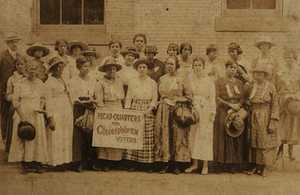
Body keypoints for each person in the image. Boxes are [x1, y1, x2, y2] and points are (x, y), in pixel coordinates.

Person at [8, 60, 48, 174]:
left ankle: (36, 162)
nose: (32, 71)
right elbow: (15, 101)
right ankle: (25, 164)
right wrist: (22, 116)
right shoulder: (20, 83)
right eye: (30, 68)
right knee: (24, 136)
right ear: (26, 70)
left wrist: (41, 107)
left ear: (38, 70)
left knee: (37, 138)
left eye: (35, 68)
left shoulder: (40, 83)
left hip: (36, 113)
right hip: (23, 112)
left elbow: (43, 98)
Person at [154, 56, 191, 174]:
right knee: (164, 135)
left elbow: (189, 96)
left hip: (177, 110)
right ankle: (164, 163)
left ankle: (176, 164)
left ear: (176, 66)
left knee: (177, 136)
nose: (169, 66)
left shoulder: (182, 79)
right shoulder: (161, 79)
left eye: (172, 64)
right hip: (164, 110)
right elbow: (158, 96)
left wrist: (177, 100)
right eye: (167, 64)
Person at [214, 60, 248, 173]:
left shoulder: (239, 83)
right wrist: (229, 105)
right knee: (223, 135)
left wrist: (239, 104)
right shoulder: (219, 81)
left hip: (237, 110)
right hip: (224, 110)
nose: (233, 70)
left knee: (236, 131)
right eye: (230, 68)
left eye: (234, 68)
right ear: (226, 68)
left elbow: (243, 97)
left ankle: (234, 163)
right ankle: (222, 163)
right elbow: (217, 97)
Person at [124, 59, 158, 172]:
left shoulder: (152, 83)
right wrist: (128, 110)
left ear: (147, 69)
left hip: (147, 109)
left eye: (144, 67)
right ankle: (132, 163)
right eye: (140, 67)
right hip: (135, 109)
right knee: (134, 136)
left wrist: (149, 109)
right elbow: (128, 97)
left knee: (147, 136)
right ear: (137, 69)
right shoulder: (132, 81)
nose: (142, 69)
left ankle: (147, 164)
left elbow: (154, 99)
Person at [185, 56, 216, 175]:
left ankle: (205, 165)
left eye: (199, 65)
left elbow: (212, 98)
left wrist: (212, 113)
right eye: (195, 65)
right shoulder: (191, 80)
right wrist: (192, 106)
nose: (197, 68)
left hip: (205, 111)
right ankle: (194, 164)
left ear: (203, 67)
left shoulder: (209, 81)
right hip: (194, 111)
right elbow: (189, 95)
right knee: (193, 137)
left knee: (205, 137)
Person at [93, 57, 125, 171]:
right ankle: (104, 161)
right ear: (105, 70)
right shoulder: (100, 83)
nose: (112, 71)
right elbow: (99, 100)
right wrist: (103, 112)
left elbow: (121, 96)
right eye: (109, 69)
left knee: (116, 133)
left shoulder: (119, 81)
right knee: (106, 134)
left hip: (117, 107)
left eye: (114, 69)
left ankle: (115, 161)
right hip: (106, 108)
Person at [248, 65, 279, 177]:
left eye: (260, 73)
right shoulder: (253, 86)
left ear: (265, 75)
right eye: (256, 73)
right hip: (253, 115)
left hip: (265, 115)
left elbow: (275, 105)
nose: (258, 76)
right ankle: (257, 166)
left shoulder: (270, 87)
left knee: (265, 142)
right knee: (254, 141)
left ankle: (266, 167)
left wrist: (273, 121)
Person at [44, 57, 74, 170]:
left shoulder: (63, 80)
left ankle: (64, 161)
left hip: (66, 109)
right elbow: (48, 101)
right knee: (56, 135)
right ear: (54, 69)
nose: (61, 69)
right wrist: (50, 117)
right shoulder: (49, 82)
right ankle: (54, 162)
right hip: (56, 110)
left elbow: (68, 94)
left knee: (65, 135)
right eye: (58, 67)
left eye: (62, 67)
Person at [70, 56, 96, 172]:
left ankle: (89, 162)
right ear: (78, 67)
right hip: (79, 107)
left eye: (88, 66)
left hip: (90, 107)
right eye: (84, 66)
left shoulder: (92, 79)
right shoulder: (73, 80)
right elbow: (73, 97)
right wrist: (82, 102)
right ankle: (78, 162)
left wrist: (92, 101)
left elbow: (94, 93)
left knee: (89, 134)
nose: (86, 69)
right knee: (78, 135)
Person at [277, 48, 300, 161]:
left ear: (294, 58)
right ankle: (280, 150)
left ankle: (290, 152)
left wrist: (296, 95)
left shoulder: (298, 71)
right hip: (283, 101)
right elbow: (278, 88)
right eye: (286, 58)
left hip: (294, 102)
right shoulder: (281, 72)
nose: (288, 60)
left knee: (292, 127)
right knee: (282, 126)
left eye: (290, 58)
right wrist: (284, 96)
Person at [0, 33, 22, 143]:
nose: (14, 44)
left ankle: (14, 137)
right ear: (8, 43)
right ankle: (5, 137)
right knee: (5, 113)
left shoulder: (19, 56)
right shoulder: (2, 56)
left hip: (18, 88)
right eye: (12, 42)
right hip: (4, 89)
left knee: (16, 113)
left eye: (16, 42)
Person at [4, 57, 26, 153]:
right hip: (16, 105)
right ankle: (15, 151)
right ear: (15, 66)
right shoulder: (11, 79)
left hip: (28, 104)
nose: (20, 66)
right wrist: (15, 97)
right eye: (18, 64)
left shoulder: (28, 77)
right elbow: (8, 95)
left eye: (22, 64)